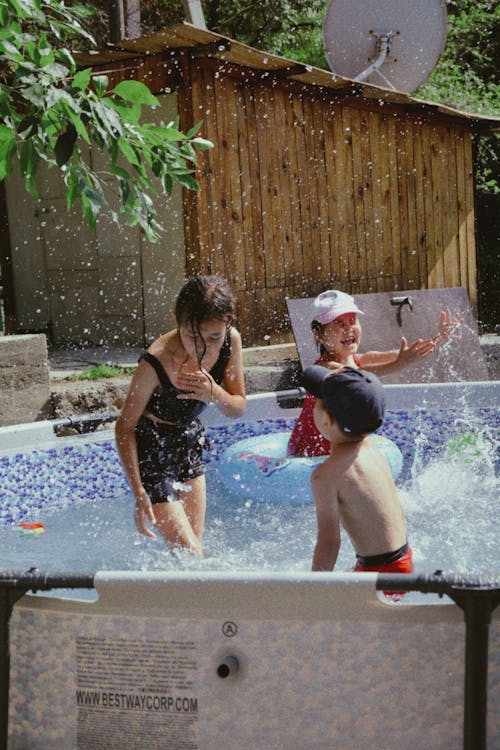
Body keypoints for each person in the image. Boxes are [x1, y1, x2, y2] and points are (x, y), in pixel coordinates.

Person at [115, 275, 246, 556]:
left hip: (188, 441)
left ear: (228, 324)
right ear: (177, 321)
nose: (202, 347)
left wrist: (215, 393)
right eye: (192, 336)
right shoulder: (155, 361)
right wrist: (138, 491)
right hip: (152, 448)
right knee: (191, 554)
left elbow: (238, 407)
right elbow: (124, 428)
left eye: (214, 337)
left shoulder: (230, 342)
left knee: (192, 549)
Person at [287, 289, 461, 456]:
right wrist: (400, 363)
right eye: (338, 323)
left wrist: (439, 338)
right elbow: (357, 376)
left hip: (335, 447)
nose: (348, 328)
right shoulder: (325, 367)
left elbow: (408, 353)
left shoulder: (358, 359)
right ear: (319, 334)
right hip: (308, 451)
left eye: (352, 320)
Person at [302, 365, 413, 582]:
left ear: (326, 420)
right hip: (402, 559)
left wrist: (313, 592)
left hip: (380, 573)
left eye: (316, 402)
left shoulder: (325, 476)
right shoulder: (372, 449)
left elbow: (329, 542)